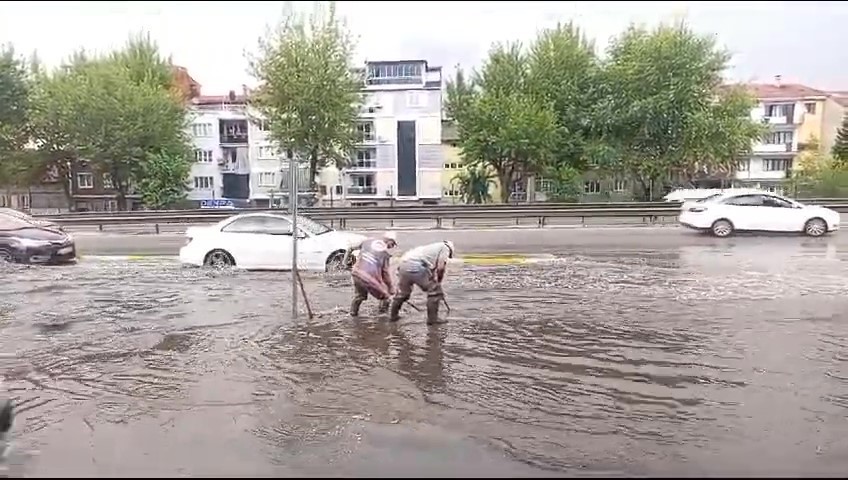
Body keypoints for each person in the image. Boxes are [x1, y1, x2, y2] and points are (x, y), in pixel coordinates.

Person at [389, 240, 454, 325]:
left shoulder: (428, 249)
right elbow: (441, 268)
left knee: (403, 293)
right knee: (435, 292)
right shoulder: (445, 248)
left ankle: (393, 317)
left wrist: (433, 277)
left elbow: (431, 269)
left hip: (403, 266)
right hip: (415, 266)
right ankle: (432, 319)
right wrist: (439, 282)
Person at [345, 232, 398, 317]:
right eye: (392, 244)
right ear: (388, 241)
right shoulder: (385, 255)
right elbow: (386, 274)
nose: (391, 247)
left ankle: (352, 314)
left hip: (356, 273)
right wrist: (391, 288)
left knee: (360, 296)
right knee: (385, 297)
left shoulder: (367, 241)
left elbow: (350, 248)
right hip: (369, 279)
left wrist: (346, 263)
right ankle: (382, 317)